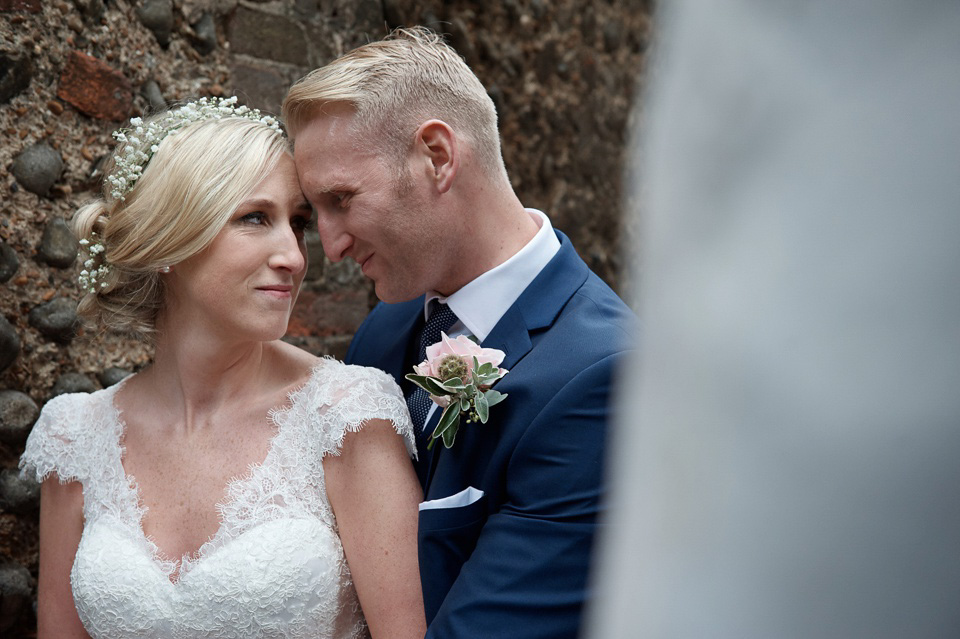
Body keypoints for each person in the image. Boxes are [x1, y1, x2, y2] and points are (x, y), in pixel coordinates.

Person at [19, 98, 426, 639]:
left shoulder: (346, 416)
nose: (295, 257)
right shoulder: (74, 438)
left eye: (297, 223)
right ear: (168, 239)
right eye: (255, 218)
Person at [282, 27, 637, 638]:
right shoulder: (388, 329)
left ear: (437, 157)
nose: (331, 247)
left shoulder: (602, 378)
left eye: (342, 199)